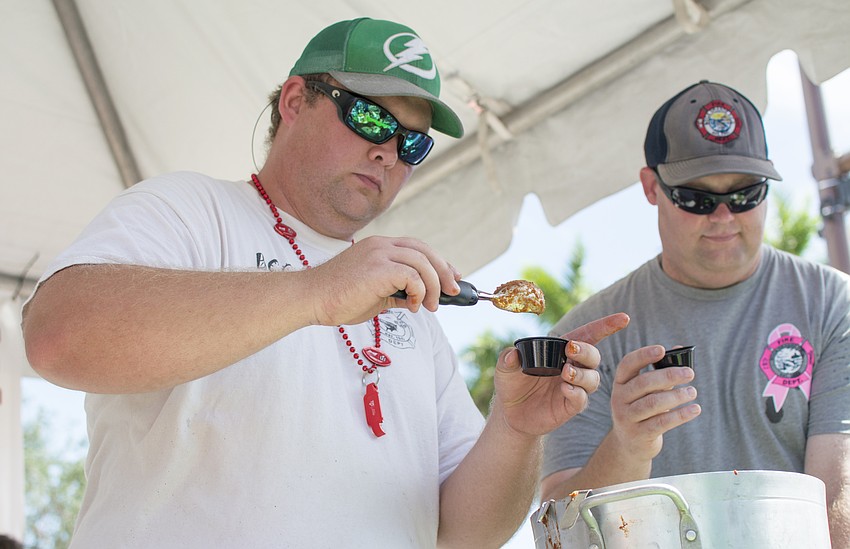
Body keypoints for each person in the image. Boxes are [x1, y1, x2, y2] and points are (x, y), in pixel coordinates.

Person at [21, 17, 627, 548]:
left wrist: (515, 428)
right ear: (293, 101)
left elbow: (464, 534)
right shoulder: (187, 209)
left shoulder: (406, 299)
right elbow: (58, 336)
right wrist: (314, 292)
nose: (389, 151)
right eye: (369, 116)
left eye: (412, 141)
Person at [540, 80, 850, 546]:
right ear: (651, 187)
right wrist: (627, 447)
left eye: (746, 194)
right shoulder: (590, 337)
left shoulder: (832, 303)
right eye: (698, 199)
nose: (724, 216)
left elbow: (837, 501)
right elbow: (560, 529)